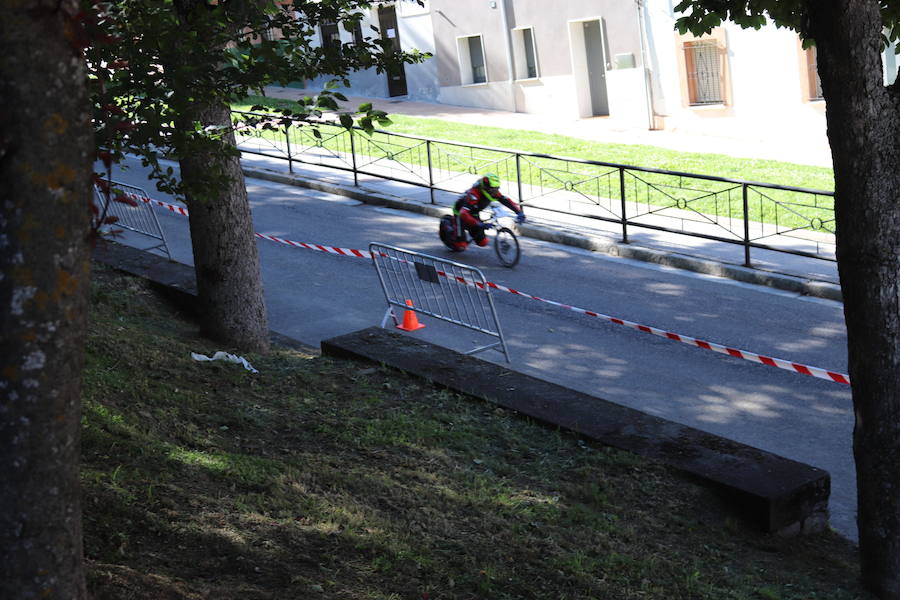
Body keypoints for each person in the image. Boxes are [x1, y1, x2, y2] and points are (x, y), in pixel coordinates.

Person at [448, 173, 525, 251]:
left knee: (483, 242)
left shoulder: (492, 192)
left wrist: (519, 212)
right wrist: (479, 224)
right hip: (460, 213)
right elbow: (463, 213)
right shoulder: (474, 194)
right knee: (461, 246)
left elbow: (505, 200)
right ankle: (449, 226)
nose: (494, 192)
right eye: (492, 189)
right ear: (486, 187)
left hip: (473, 213)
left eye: (496, 188)